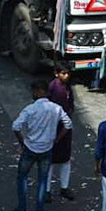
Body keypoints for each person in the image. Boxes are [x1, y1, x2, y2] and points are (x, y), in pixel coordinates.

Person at [6, 80, 72, 211]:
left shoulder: (30, 109)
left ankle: (22, 210)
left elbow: (16, 126)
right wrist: (57, 139)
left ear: (37, 92)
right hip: (47, 148)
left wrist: (21, 141)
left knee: (22, 177)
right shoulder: (56, 108)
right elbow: (68, 124)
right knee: (43, 180)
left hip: (30, 148)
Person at [47, 66, 76, 202]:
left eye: (67, 73)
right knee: (51, 161)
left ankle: (64, 187)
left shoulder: (67, 86)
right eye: (63, 73)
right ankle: (46, 190)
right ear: (56, 73)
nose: (66, 76)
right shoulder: (53, 88)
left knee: (65, 159)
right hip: (55, 127)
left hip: (65, 127)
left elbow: (70, 104)